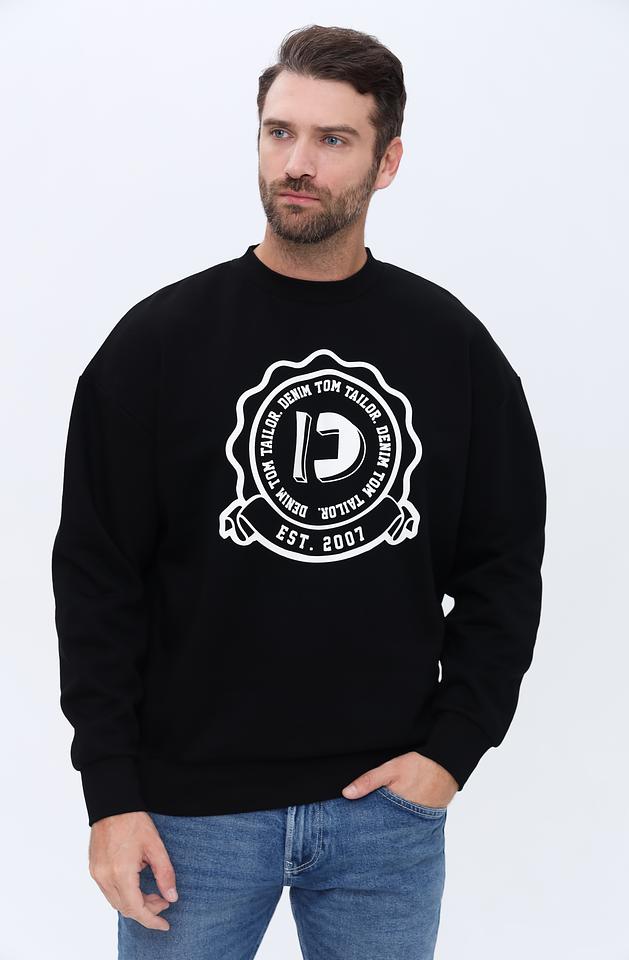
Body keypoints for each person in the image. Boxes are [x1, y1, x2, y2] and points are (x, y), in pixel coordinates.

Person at [51, 23, 547, 960]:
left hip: (385, 816)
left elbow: (504, 568)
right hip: (189, 819)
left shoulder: (451, 349)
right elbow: (95, 582)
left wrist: (451, 752)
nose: (298, 164)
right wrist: (110, 794)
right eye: (280, 133)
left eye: (333, 139)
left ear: (387, 162)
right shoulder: (156, 346)